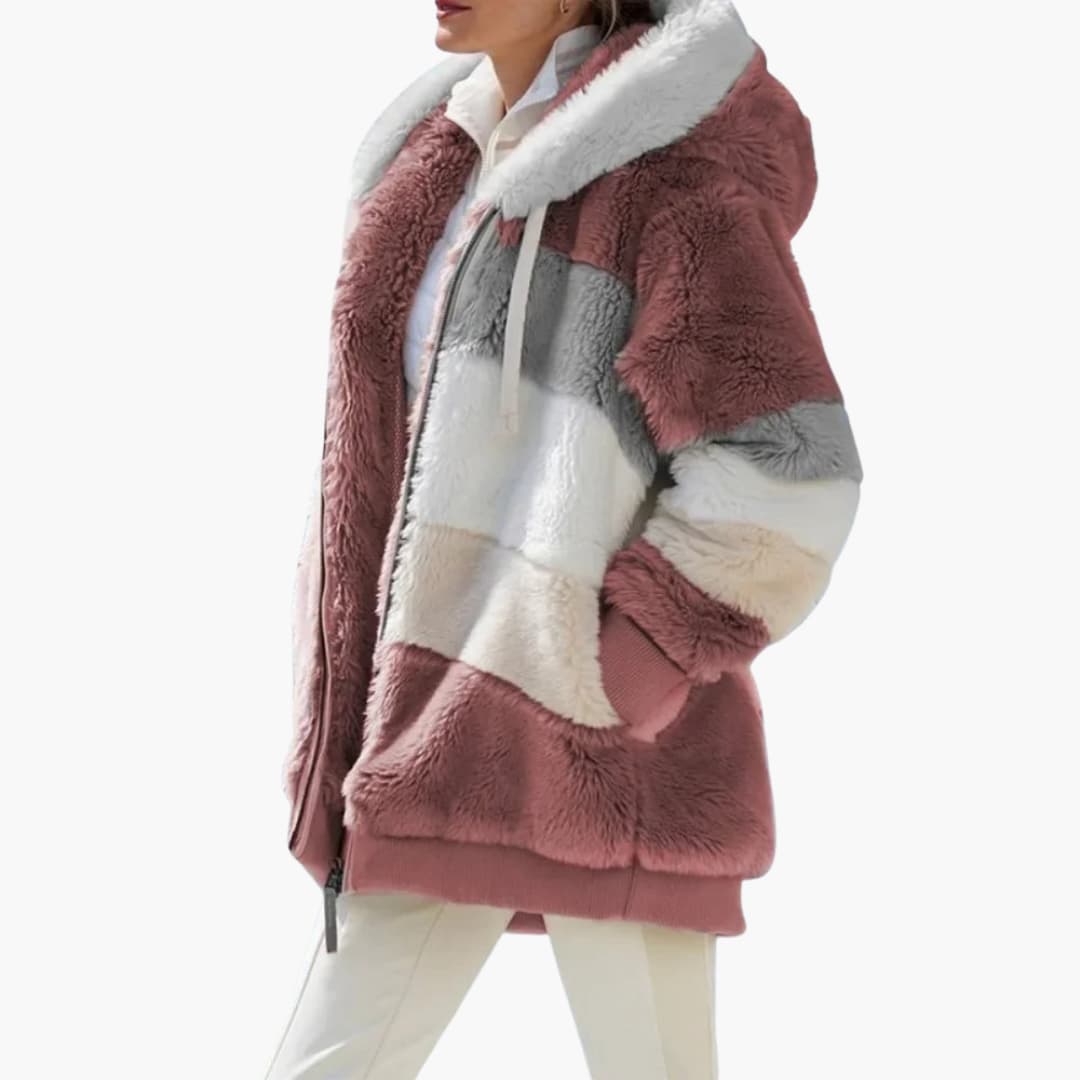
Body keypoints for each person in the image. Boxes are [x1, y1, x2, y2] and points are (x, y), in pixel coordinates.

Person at [266, 0, 862, 1076]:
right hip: (426, 743)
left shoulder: (673, 177)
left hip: (608, 764)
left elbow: (790, 469)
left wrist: (607, 678)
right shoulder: (435, 159)